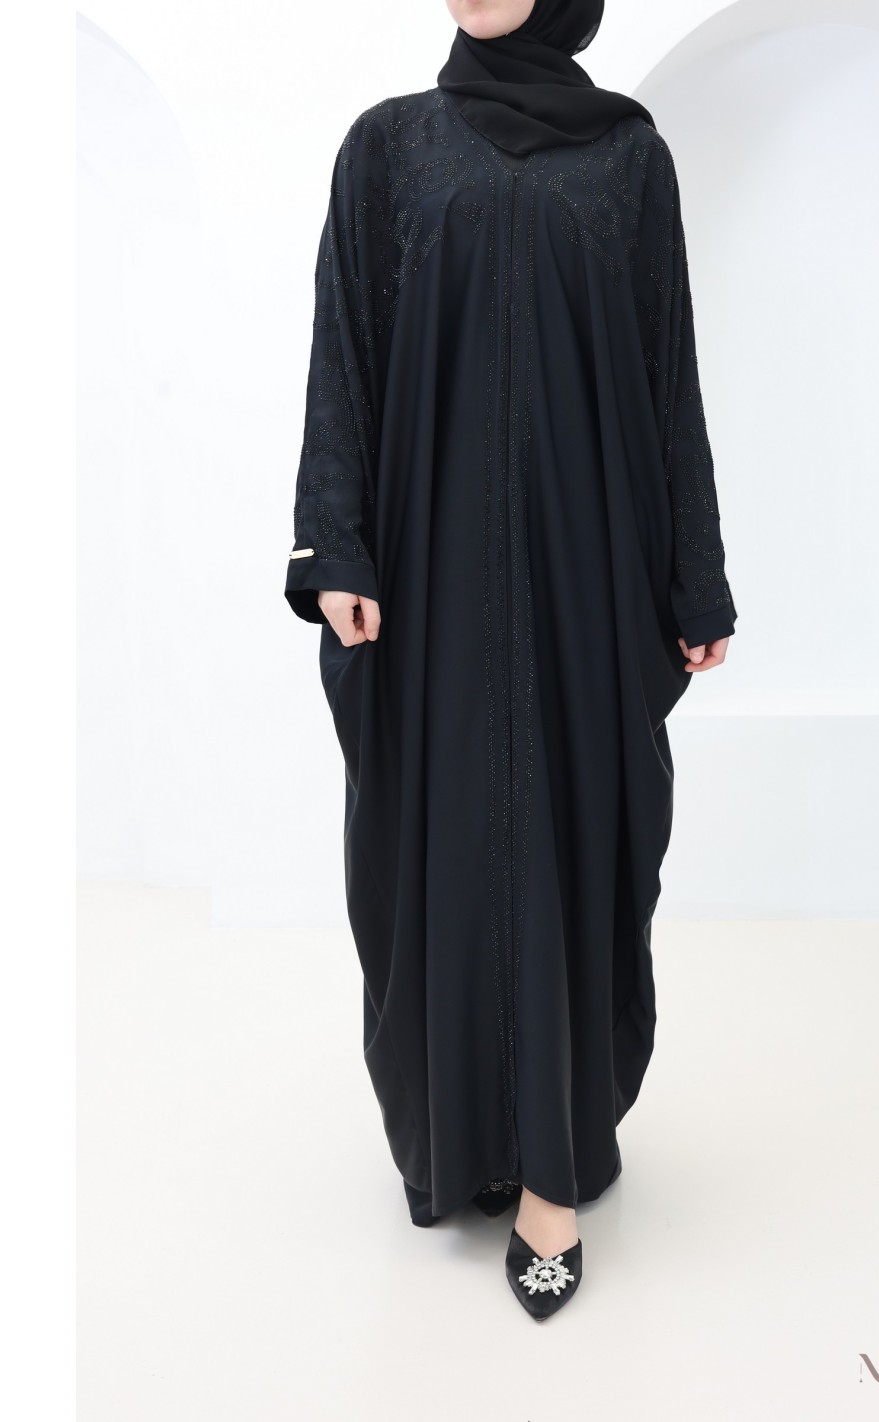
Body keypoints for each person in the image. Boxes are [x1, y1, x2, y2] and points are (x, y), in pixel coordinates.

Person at [283, 0, 737, 1321]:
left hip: (587, 575)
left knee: (567, 844)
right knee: (442, 849)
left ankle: (552, 1172)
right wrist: (338, 548)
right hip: (431, 580)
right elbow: (344, 358)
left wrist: (695, 576)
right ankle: (470, 1132)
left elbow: (667, 373)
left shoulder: (628, 158)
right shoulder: (388, 149)